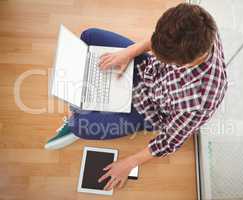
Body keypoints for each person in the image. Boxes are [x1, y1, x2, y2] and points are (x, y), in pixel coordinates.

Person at [45, 3, 228, 190]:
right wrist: (128, 53)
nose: (155, 52)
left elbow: (168, 141)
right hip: (147, 70)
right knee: (88, 35)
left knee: (79, 126)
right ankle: (92, 99)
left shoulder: (201, 100)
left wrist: (129, 163)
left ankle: (87, 108)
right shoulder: (200, 22)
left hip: (148, 109)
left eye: (163, 56)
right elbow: (159, 41)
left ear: (185, 63)